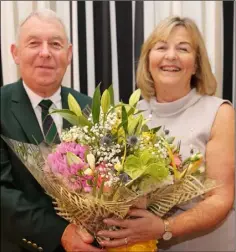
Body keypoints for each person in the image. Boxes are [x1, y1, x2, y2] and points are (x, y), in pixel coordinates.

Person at [96, 16, 235, 251]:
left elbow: (221, 198)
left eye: (183, 49)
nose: (171, 56)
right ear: (148, 59)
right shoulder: (128, 114)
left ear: (197, 63)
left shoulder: (220, 113)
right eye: (161, 47)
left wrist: (164, 227)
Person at [0, 9, 104, 252]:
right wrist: (62, 234)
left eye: (55, 44)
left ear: (68, 54)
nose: (45, 53)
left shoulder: (92, 109)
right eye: (34, 43)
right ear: (16, 53)